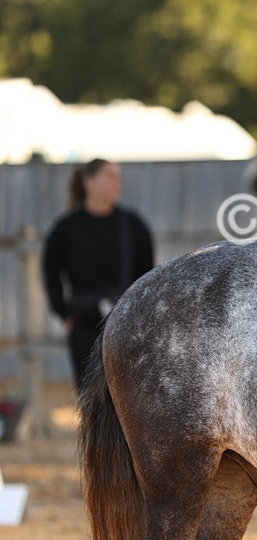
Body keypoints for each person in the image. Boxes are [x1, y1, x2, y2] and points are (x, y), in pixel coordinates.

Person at [42, 159, 154, 390]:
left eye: (118, 177)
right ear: (89, 182)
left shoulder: (132, 225)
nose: (117, 183)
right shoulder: (66, 228)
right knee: (89, 397)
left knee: (127, 395)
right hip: (83, 325)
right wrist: (64, 314)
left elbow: (148, 276)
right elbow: (50, 271)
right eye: (110, 176)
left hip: (125, 322)